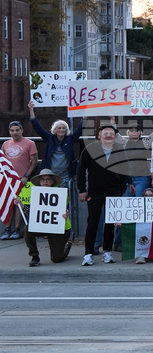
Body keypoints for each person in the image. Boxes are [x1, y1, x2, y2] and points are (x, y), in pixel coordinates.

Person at [77, 124, 129, 265]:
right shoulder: (91, 149)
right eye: (105, 133)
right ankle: (88, 253)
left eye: (111, 133)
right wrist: (82, 189)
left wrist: (124, 187)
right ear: (100, 135)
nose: (108, 136)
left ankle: (107, 251)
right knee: (92, 222)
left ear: (115, 136)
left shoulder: (119, 149)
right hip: (94, 191)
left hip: (114, 191)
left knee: (110, 223)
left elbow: (125, 168)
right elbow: (81, 169)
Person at [28, 100, 83, 193]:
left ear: (66, 130)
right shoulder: (50, 139)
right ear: (55, 129)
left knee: (65, 197)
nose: (61, 130)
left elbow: (80, 129)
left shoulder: (70, 139)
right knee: (50, 197)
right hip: (50, 174)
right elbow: (37, 128)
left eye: (63, 128)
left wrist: (84, 116)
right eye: (59, 128)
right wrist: (31, 110)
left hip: (66, 174)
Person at [21, 168, 72, 266]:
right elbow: (34, 214)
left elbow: (63, 210)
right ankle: (34, 256)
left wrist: (65, 214)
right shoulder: (36, 194)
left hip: (60, 228)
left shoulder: (60, 193)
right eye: (42, 179)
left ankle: (66, 247)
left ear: (52, 181)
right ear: (39, 182)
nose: (45, 181)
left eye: (48, 179)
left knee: (57, 259)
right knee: (27, 229)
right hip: (43, 226)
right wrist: (22, 206)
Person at [1, 119, 38, 240]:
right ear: (9, 132)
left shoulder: (30, 143)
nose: (15, 132)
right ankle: (7, 229)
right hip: (9, 179)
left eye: (17, 130)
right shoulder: (5, 144)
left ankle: (17, 229)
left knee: (19, 204)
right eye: (12, 130)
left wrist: (26, 176)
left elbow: (34, 162)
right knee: (8, 203)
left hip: (23, 179)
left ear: (21, 130)